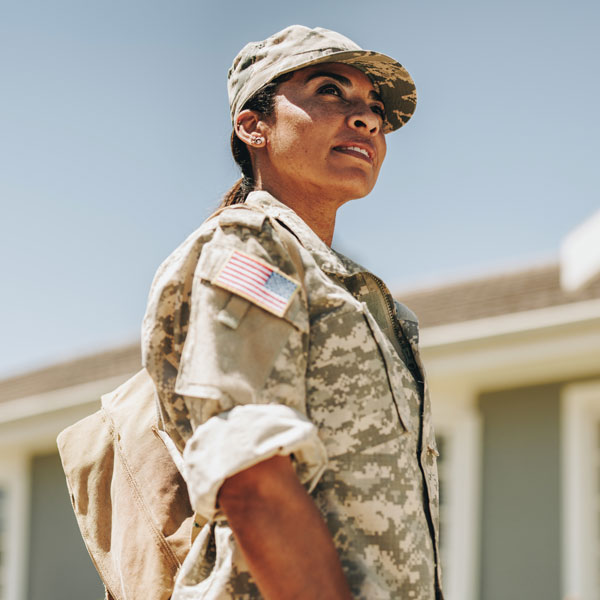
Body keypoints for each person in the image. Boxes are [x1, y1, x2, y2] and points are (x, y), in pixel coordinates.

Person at [142, 24, 443, 600]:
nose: (368, 120)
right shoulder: (252, 247)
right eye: (331, 91)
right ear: (253, 126)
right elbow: (250, 473)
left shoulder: (355, 290)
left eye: (374, 109)